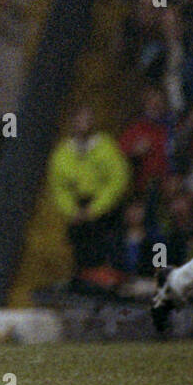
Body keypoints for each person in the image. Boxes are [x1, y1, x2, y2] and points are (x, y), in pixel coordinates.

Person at [47, 104, 131, 289]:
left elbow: (118, 180)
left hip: (105, 206)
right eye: (80, 119)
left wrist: (95, 209)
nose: (84, 123)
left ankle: (111, 277)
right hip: (78, 206)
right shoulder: (62, 154)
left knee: (105, 233)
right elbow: (59, 188)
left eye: (87, 118)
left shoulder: (106, 147)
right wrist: (73, 210)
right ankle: (83, 277)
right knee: (78, 234)